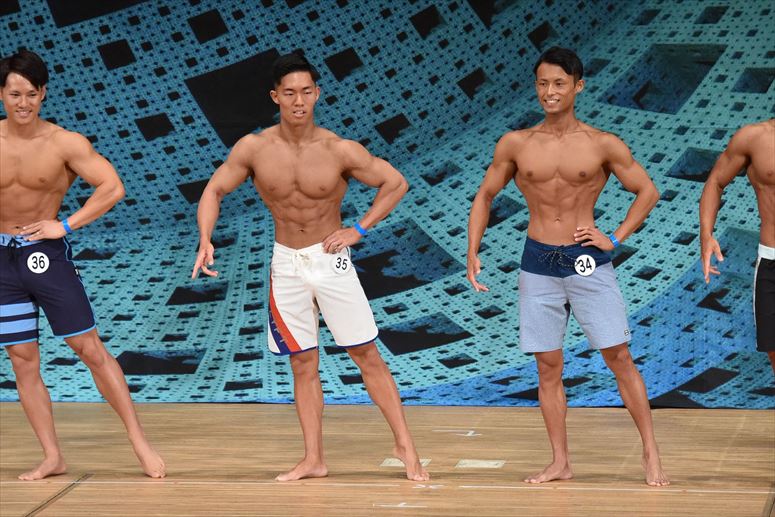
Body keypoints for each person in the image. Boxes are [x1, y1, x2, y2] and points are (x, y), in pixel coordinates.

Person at [192, 52, 428, 482]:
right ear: (275, 97)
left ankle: (406, 447)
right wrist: (205, 238)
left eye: (305, 92)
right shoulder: (253, 148)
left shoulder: (339, 149)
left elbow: (395, 183)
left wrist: (359, 228)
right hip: (286, 264)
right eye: (289, 93)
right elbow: (213, 191)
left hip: (329, 258)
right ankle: (314, 459)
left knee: (366, 353)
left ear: (317, 93)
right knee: (302, 363)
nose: (298, 101)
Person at [466, 47, 669, 486]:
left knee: (618, 355)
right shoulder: (516, 143)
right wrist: (472, 248)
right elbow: (485, 195)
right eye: (543, 83)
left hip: (586, 259)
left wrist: (615, 237)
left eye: (559, 83)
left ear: (578, 86)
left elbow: (648, 191)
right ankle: (560, 461)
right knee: (547, 365)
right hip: (537, 260)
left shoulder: (601, 144)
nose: (550, 92)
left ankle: (651, 453)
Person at [0, 49, 165, 479]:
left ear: (43, 93)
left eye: (31, 94)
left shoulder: (64, 142)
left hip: (45, 256)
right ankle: (52, 456)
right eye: (15, 94)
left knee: (88, 348)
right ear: (1, 94)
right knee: (22, 359)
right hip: (2, 264)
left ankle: (139, 442)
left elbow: (112, 187)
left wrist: (64, 225)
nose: (23, 103)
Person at [700, 119, 775, 373]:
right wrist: (706, 235)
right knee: (773, 348)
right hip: (771, 258)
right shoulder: (754, 137)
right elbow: (715, 181)